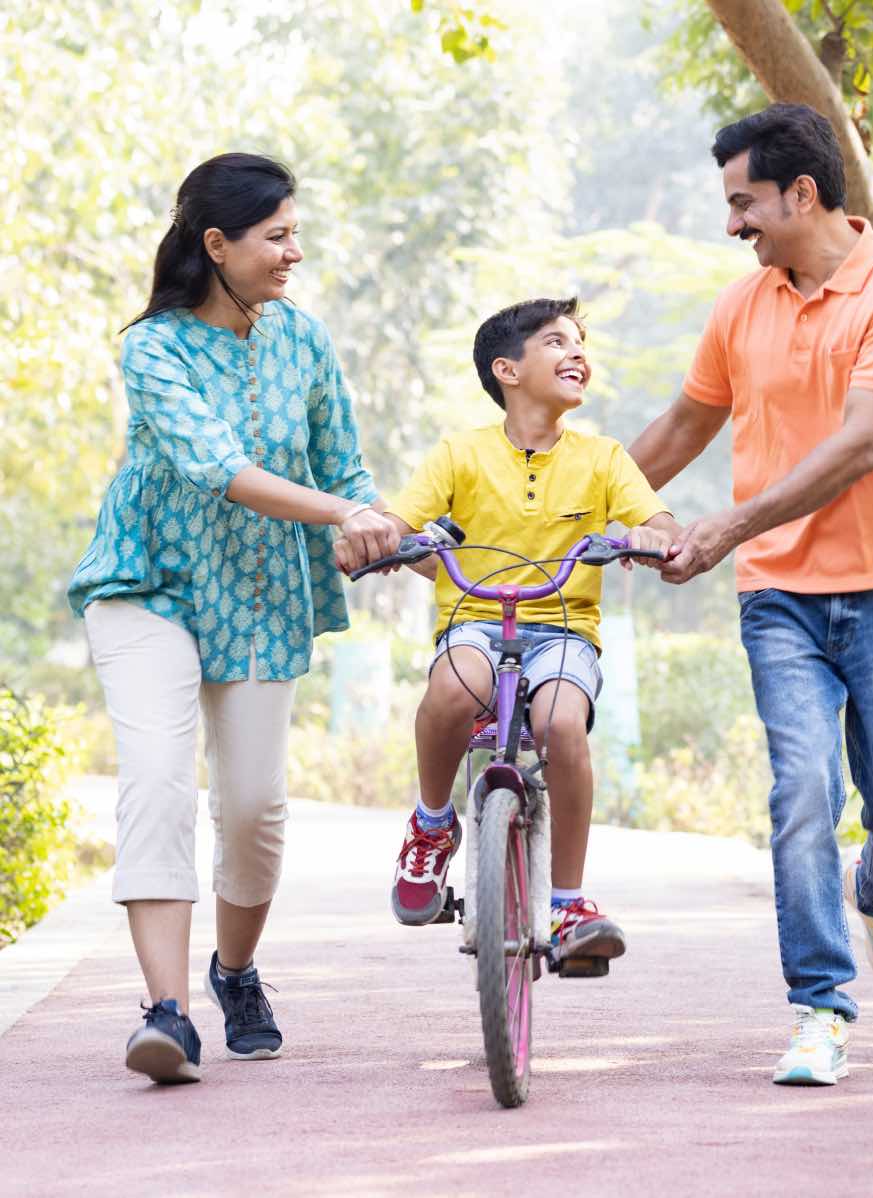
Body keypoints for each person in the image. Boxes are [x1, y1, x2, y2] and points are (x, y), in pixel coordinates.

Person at [628, 104, 873, 1085]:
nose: (732, 223)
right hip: (777, 593)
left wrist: (721, 527)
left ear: (802, 193)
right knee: (800, 792)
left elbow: (862, 445)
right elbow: (677, 431)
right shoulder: (741, 308)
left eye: (743, 202)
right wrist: (574, 503)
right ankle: (819, 1006)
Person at [68, 153, 400, 1085]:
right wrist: (339, 514)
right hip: (149, 585)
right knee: (159, 781)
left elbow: (346, 467)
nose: (295, 250)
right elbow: (215, 463)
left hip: (259, 594)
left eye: (296, 231)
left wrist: (364, 521)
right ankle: (167, 1014)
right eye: (276, 235)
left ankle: (236, 971)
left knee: (253, 807)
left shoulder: (306, 340)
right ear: (216, 245)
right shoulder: (154, 348)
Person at [336, 297, 679, 965]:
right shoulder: (459, 454)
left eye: (581, 344)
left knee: (558, 724)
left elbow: (661, 525)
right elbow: (402, 521)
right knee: (450, 693)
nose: (577, 354)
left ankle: (569, 901)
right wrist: (375, 542)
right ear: (508, 370)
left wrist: (644, 537)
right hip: (474, 619)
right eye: (556, 342)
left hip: (562, 630)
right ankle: (434, 824)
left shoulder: (604, 458)